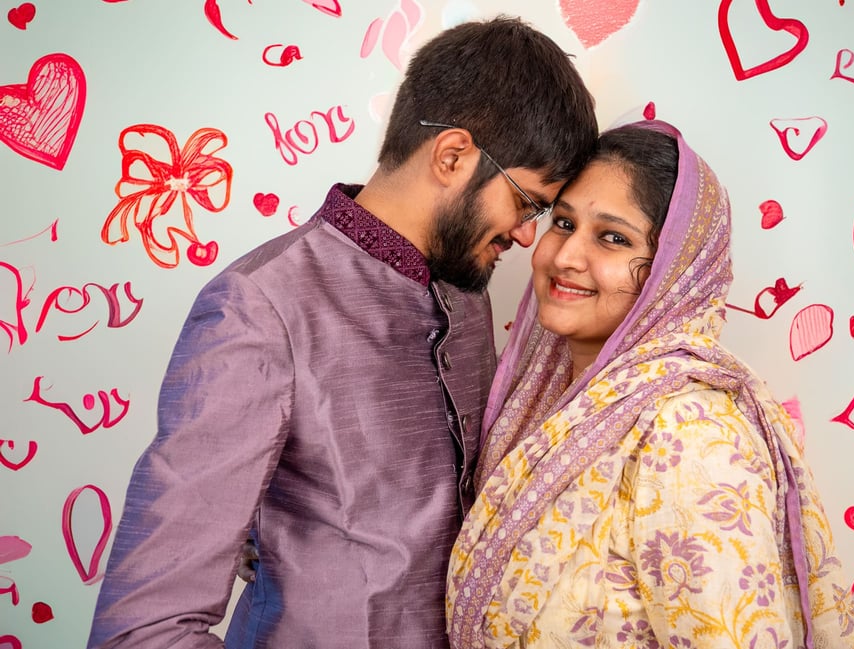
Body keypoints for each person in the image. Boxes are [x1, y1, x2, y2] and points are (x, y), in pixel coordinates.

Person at [88, 16, 598, 649]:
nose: (528, 235)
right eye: (526, 202)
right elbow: (142, 629)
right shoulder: (261, 307)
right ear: (453, 156)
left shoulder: (465, 296)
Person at [446, 119, 854, 648]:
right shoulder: (552, 402)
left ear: (675, 270)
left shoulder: (691, 433)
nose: (565, 257)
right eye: (563, 223)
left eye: (612, 238)